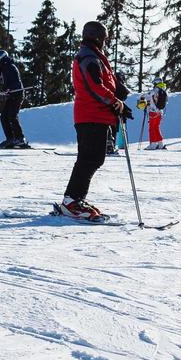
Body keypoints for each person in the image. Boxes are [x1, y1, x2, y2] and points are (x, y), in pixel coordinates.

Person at [59, 21, 132, 220]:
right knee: (90, 158)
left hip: (96, 115)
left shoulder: (93, 56)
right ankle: (72, 201)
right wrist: (114, 102)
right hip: (90, 115)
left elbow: (106, 82)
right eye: (104, 39)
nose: (105, 43)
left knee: (92, 158)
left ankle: (74, 199)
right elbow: (94, 86)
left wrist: (119, 95)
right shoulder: (88, 57)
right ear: (98, 38)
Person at [0, 49, 30, 148]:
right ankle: (11, 139)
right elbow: (3, 75)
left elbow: (15, 81)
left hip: (17, 94)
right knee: (4, 117)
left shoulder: (10, 67)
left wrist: (8, 88)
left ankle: (20, 138)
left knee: (12, 116)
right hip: (12, 95)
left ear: (1, 58)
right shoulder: (5, 67)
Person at [145, 80, 169, 149]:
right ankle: (160, 144)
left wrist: (145, 101)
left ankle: (152, 144)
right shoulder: (164, 91)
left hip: (153, 112)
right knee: (156, 127)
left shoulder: (155, 90)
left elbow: (146, 96)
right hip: (160, 113)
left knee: (152, 128)